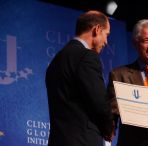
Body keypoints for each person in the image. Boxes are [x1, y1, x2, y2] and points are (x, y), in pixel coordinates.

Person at [45, 10, 114, 146]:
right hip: (82, 140)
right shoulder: (86, 56)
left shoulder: (55, 61)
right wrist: (109, 127)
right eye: (106, 35)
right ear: (97, 29)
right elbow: (99, 102)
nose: (106, 42)